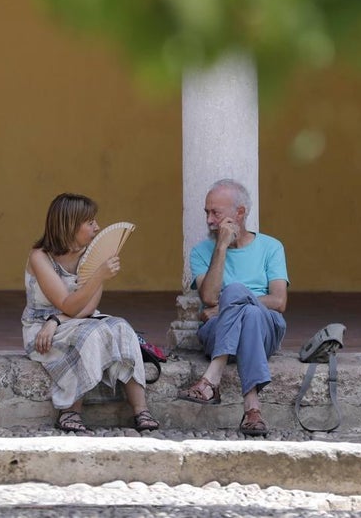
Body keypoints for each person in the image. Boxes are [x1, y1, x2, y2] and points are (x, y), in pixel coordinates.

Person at [21, 192, 159, 434]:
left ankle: (141, 410)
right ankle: (70, 411)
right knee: (91, 334)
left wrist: (58, 320)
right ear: (70, 225)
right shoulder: (40, 258)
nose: (98, 227)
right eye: (90, 222)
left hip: (70, 320)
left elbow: (85, 310)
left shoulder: (91, 257)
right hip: (41, 329)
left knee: (122, 327)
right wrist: (99, 277)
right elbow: (67, 303)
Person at [178, 179, 289, 436]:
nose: (209, 220)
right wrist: (222, 247)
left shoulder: (271, 247)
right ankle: (252, 408)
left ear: (239, 213)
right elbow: (208, 297)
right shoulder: (202, 252)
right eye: (206, 212)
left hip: (266, 329)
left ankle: (211, 378)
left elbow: (279, 301)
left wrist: (226, 307)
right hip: (219, 332)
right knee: (243, 305)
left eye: (215, 212)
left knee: (237, 294)